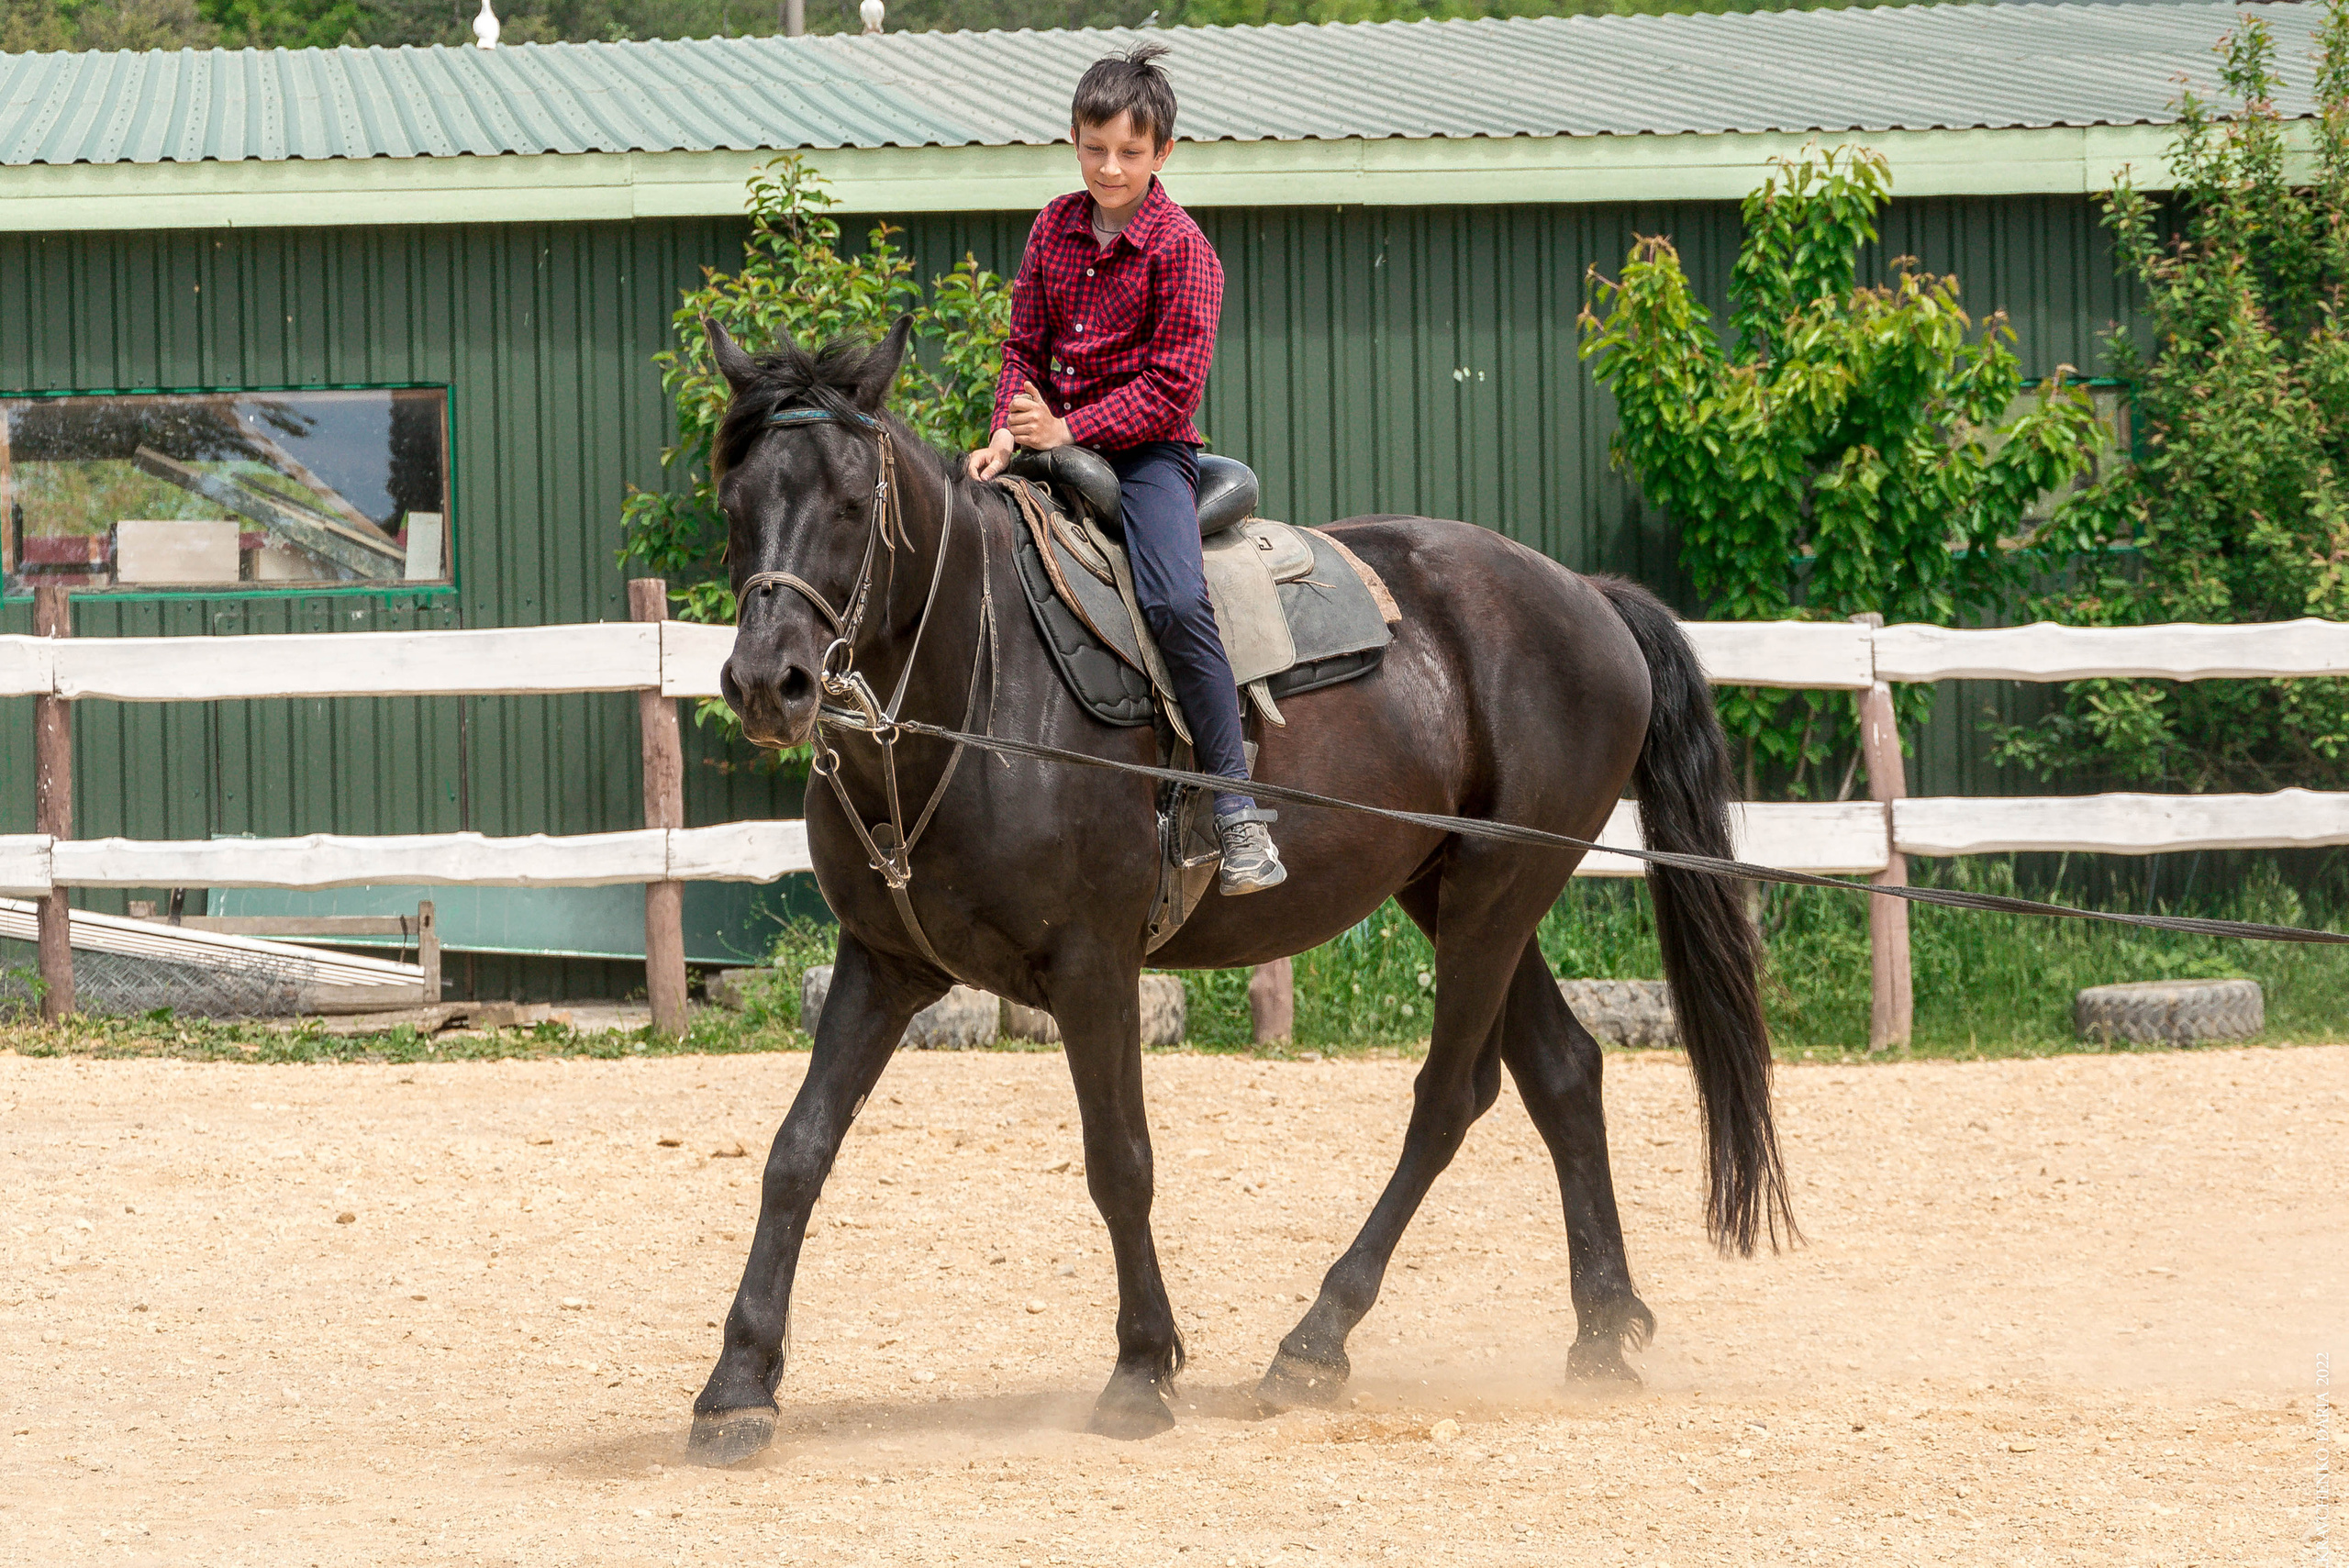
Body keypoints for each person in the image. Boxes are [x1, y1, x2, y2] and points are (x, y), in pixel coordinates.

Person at [965, 44, 1286, 896]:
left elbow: (1171, 386)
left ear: (1163, 154)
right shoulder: (1052, 226)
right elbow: (1022, 348)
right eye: (1094, 147)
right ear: (1074, 139)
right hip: (1050, 441)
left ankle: (1236, 810)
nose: (1110, 167)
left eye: (1129, 152)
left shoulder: (1184, 251)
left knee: (1177, 600)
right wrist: (1004, 434)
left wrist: (1069, 424)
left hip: (1147, 453)